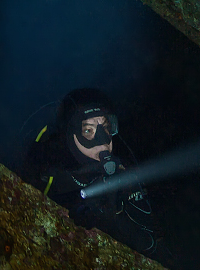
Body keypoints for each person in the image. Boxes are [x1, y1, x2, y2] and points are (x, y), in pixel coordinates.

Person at [23, 88, 156, 253]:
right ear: (69, 135)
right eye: (88, 131)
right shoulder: (46, 167)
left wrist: (113, 222)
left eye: (106, 128)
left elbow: (151, 244)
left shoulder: (124, 174)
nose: (103, 141)